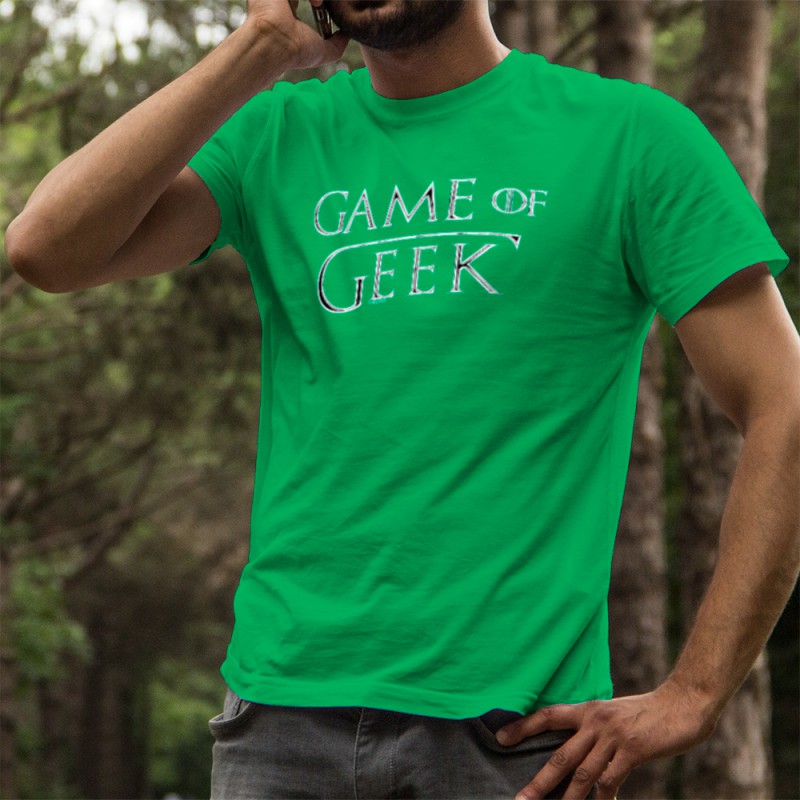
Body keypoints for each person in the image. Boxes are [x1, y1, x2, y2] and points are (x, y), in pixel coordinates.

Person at [5, 1, 799, 798]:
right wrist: (260, 45)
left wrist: (696, 694)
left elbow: (784, 402)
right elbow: (47, 247)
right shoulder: (275, 134)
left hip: (514, 740)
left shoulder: (630, 136)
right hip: (278, 725)